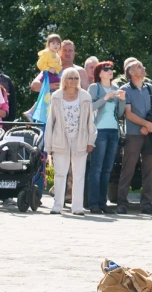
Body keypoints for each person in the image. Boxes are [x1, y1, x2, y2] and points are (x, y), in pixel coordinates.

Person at [44, 68, 97, 215]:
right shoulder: (56, 96)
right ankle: (57, 205)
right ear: (64, 80)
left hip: (80, 138)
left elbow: (89, 121)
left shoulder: (85, 96)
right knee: (60, 172)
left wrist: (91, 141)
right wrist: (48, 145)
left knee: (79, 173)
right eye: (70, 78)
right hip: (60, 138)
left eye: (75, 78)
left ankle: (77, 207)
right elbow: (51, 122)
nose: (73, 81)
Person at [117, 60, 152, 215]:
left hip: (150, 135)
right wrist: (146, 124)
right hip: (133, 134)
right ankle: (122, 203)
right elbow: (128, 113)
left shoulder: (150, 88)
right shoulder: (125, 89)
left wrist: (151, 125)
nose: (143, 69)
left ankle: (147, 204)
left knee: (149, 170)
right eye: (139, 67)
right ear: (131, 73)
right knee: (128, 168)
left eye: (142, 66)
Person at [87, 61, 126, 214]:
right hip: (99, 131)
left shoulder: (117, 88)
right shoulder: (94, 87)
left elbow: (121, 113)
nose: (110, 71)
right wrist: (104, 98)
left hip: (113, 131)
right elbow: (89, 107)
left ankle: (103, 203)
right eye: (106, 69)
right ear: (99, 73)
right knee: (96, 168)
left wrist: (122, 100)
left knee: (107, 169)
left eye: (111, 69)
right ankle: (94, 204)